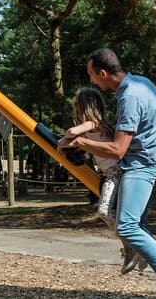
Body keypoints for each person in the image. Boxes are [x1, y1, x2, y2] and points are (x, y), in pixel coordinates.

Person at [61, 48, 156, 299]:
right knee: (128, 224)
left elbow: (118, 148)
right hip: (153, 156)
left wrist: (80, 144)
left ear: (103, 73)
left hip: (144, 164)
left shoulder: (129, 96)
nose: (92, 80)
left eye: (92, 74)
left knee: (126, 226)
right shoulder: (141, 83)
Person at [59, 87, 148, 275]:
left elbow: (71, 130)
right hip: (113, 173)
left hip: (114, 173)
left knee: (105, 211)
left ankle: (131, 246)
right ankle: (139, 248)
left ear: (84, 108)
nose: (75, 112)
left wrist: (63, 141)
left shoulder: (93, 124)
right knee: (121, 215)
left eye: (77, 107)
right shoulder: (99, 128)